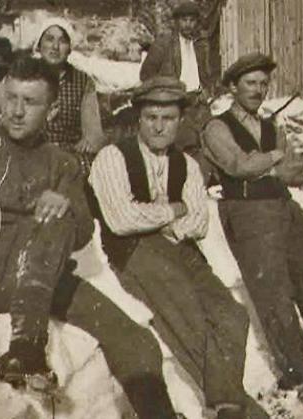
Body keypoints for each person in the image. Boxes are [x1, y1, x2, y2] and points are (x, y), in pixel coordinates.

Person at [0, 56, 185, 419]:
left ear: (51, 110)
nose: (16, 111)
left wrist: (64, 202)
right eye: (11, 98)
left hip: (40, 273)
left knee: (135, 339)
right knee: (54, 222)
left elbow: (82, 231)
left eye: (29, 102)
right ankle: (27, 346)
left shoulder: (60, 162)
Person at [88, 76, 268, 419]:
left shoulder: (185, 164)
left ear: (179, 121)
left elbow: (198, 223)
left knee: (232, 313)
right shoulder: (113, 157)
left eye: (167, 119)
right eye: (151, 118)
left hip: (181, 248)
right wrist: (172, 211)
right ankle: (233, 406)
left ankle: (228, 401)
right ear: (138, 119)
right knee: (185, 309)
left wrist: (164, 221)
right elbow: (121, 220)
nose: (159, 127)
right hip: (134, 253)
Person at [200, 52, 303, 407]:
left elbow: (296, 172)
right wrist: (273, 160)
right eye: (249, 83)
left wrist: (268, 166)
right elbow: (237, 165)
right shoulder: (216, 126)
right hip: (249, 212)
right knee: (273, 292)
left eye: (263, 84)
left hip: (286, 209)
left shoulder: (272, 125)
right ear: (234, 87)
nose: (257, 90)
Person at [0, 18, 106, 175]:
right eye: (49, 39)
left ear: (70, 48)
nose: (55, 47)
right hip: (25, 150)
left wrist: (88, 142)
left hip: (64, 154)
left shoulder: (82, 81)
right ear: (39, 45)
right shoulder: (22, 72)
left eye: (62, 41)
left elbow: (93, 135)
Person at [139, 1, 216, 154]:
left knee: (212, 141)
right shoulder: (163, 43)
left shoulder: (201, 45)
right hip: (174, 102)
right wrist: (164, 93)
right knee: (182, 145)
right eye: (184, 20)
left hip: (198, 103)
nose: (188, 24)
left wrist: (207, 90)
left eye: (192, 20)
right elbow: (146, 75)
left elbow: (207, 74)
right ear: (176, 21)